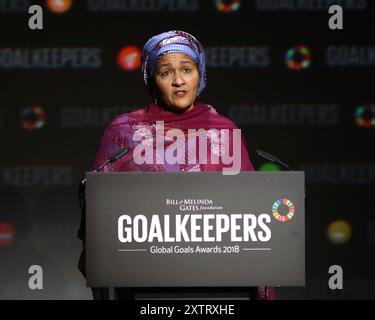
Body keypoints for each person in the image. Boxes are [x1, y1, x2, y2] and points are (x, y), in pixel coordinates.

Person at [77, 30, 275, 300]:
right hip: (143, 284)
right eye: (166, 72)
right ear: (151, 79)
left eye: (187, 69)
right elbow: (100, 214)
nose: (179, 81)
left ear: (200, 73)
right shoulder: (124, 131)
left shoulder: (224, 131)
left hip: (219, 285)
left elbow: (251, 214)